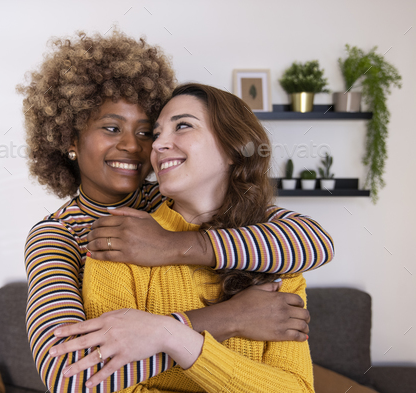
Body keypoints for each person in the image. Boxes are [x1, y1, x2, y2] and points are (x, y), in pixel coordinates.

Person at [18, 29, 333, 393]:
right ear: (69, 140)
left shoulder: (175, 203)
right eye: (111, 128)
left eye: (144, 132)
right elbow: (72, 377)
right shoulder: (75, 238)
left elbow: (315, 242)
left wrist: (172, 245)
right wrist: (225, 319)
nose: (133, 147)